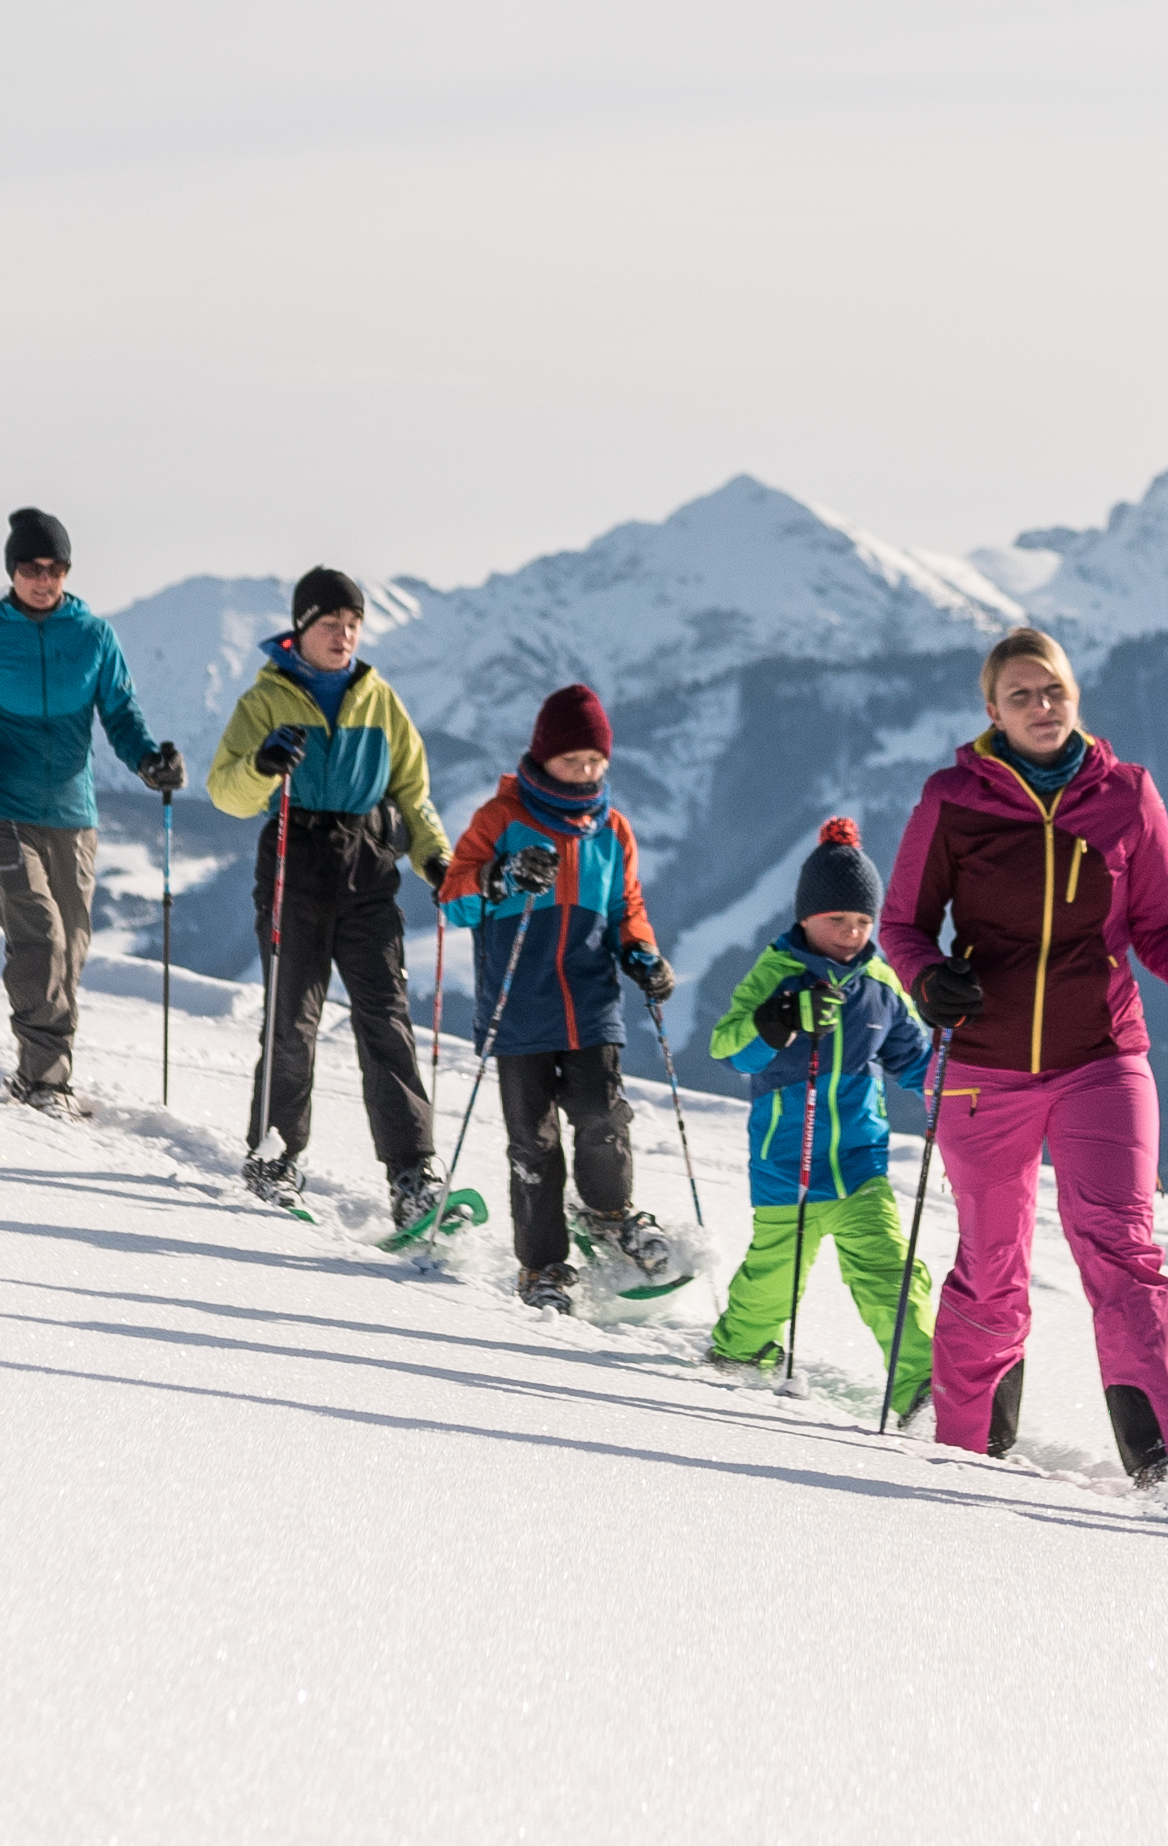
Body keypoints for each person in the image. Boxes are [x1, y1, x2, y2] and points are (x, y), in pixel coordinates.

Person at [881, 623, 1168, 1480]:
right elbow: (902, 925)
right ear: (993, 712)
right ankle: (967, 1453)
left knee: (1125, 1256)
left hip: (1103, 1055)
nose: (1041, 706)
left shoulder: (1127, 793)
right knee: (991, 1265)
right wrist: (928, 979)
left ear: (1074, 696)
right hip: (982, 1064)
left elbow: (1162, 927)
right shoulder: (953, 797)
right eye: (1020, 695)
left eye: (1052, 690)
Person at [202, 568, 456, 1221]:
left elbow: (412, 794)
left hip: (369, 868)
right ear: (301, 628)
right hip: (296, 860)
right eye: (330, 624)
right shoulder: (265, 701)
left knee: (386, 1018)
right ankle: (274, 1158)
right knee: (293, 1019)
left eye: (352, 624)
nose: (343, 635)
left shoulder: (380, 701)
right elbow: (225, 792)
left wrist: (436, 860)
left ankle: (413, 1173)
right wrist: (262, 765)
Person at [437, 682, 698, 1311]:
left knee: (603, 1116)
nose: (583, 773)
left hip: (590, 1003)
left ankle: (609, 1214)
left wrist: (642, 952)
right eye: (571, 761)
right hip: (518, 1005)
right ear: (543, 757)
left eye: (594, 762)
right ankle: (543, 1266)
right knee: (533, 1143)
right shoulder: (501, 819)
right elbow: (454, 899)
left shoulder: (612, 830)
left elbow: (625, 908)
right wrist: (501, 877)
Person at [0, 506, 186, 1110]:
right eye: (32, 568)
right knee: (41, 938)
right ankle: (44, 1081)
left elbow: (120, 714)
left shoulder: (94, 637)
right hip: (0, 810)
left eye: (55, 568)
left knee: (72, 948)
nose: (44, 579)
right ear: (12, 571)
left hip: (72, 815)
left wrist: (149, 760)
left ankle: (40, 1071)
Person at [696, 816, 933, 1414]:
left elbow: (916, 1060)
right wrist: (777, 1021)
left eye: (862, 921)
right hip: (786, 1161)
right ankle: (739, 1350)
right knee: (774, 1277)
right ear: (805, 918)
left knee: (892, 1274)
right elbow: (728, 1048)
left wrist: (955, 1088)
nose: (851, 933)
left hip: (859, 1163)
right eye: (837, 920)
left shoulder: (879, 983)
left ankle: (924, 1384)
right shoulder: (776, 974)